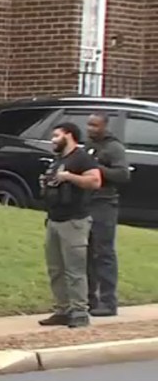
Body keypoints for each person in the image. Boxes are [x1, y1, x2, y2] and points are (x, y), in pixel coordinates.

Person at [38, 123, 103, 328]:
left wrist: (69, 177)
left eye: (56, 136)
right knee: (55, 269)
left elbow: (95, 181)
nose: (53, 140)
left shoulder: (82, 157)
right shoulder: (59, 160)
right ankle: (62, 309)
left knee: (74, 270)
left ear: (69, 135)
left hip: (74, 221)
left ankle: (79, 311)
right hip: (55, 219)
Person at [85, 113, 131, 317]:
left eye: (95, 125)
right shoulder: (88, 146)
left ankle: (108, 302)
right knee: (87, 252)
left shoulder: (114, 148)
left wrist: (97, 169)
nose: (90, 128)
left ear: (104, 126)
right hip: (87, 203)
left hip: (105, 204)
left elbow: (123, 174)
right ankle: (89, 299)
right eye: (88, 124)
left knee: (104, 253)